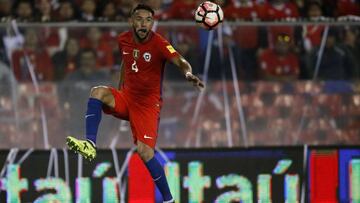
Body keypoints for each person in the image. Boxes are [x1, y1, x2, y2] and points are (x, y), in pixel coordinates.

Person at [66, 4, 204, 202]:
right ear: (131, 21)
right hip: (127, 97)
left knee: (145, 152)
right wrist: (121, 86)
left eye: (148, 20)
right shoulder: (123, 39)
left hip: (147, 105)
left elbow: (180, 61)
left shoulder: (159, 44)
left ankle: (168, 199)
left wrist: (188, 73)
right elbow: (125, 61)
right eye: (139, 19)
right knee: (97, 92)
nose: (143, 24)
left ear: (152, 23)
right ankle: (89, 144)